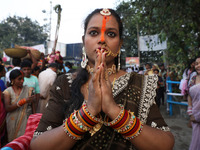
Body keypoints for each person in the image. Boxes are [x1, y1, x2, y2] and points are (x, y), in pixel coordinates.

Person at [30, 8, 174, 150]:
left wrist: (113, 110)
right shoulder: (64, 83)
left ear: (120, 44)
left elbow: (165, 143)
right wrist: (89, 112)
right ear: (83, 40)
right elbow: (38, 144)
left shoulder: (140, 83)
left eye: (111, 34)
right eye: (93, 33)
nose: (102, 40)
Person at [3, 69, 35, 142]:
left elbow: (33, 106)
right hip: (12, 121)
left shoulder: (28, 90)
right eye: (19, 79)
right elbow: (7, 108)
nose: (22, 81)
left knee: (25, 142)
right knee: (13, 142)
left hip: (26, 121)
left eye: (23, 79)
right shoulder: (8, 91)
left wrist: (34, 119)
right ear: (12, 80)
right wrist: (23, 101)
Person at [187, 56, 200, 150]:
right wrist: (190, 113)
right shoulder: (193, 78)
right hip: (195, 116)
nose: (198, 66)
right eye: (196, 63)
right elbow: (189, 96)